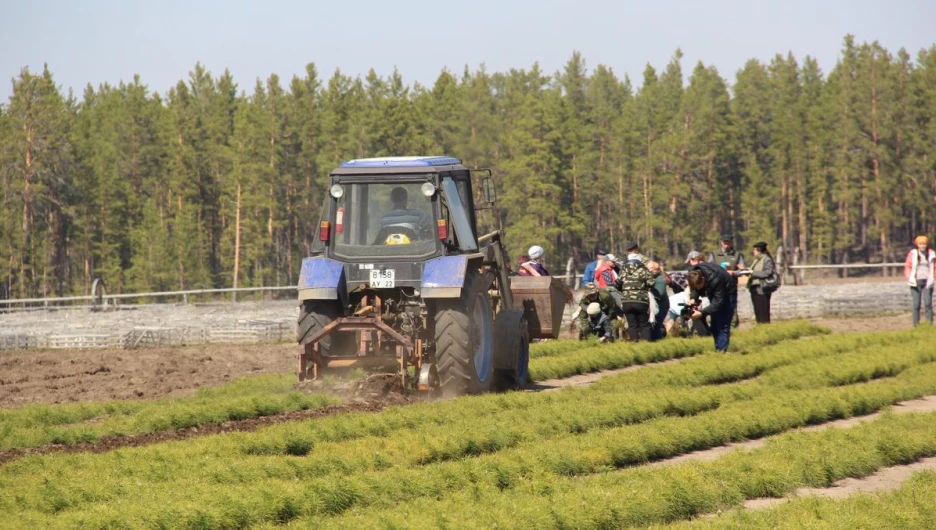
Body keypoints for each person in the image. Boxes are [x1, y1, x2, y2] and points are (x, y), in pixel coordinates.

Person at [688, 257, 737, 352]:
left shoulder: (715, 278)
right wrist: (693, 298)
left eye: (699, 287)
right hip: (714, 291)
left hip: (728, 293)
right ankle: (718, 348)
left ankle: (721, 351)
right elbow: (694, 289)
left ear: (703, 280)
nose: (698, 289)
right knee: (714, 323)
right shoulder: (693, 273)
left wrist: (701, 313)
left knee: (723, 323)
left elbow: (718, 303)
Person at [616, 242, 655, 342]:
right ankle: (646, 345)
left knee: (632, 325)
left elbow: (617, 284)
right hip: (641, 300)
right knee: (644, 324)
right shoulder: (642, 269)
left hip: (626, 301)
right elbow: (651, 283)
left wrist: (625, 289)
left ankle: (635, 345)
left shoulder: (623, 269)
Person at [708, 235, 745, 328]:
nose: (726, 245)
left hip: (731, 285)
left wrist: (734, 273)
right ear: (721, 243)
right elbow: (709, 269)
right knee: (717, 305)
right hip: (717, 285)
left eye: (728, 242)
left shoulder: (737, 255)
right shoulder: (714, 254)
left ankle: (733, 327)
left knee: (732, 306)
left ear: (732, 243)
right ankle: (716, 326)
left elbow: (742, 270)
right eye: (725, 242)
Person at [904, 235, 935, 326]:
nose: (922, 246)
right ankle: (916, 324)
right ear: (917, 244)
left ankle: (929, 323)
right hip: (916, 282)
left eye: (924, 244)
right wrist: (909, 278)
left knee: (928, 304)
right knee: (916, 304)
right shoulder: (913, 254)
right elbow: (908, 267)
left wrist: (933, 277)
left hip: (928, 282)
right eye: (921, 244)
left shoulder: (931, 254)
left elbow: (934, 267)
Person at [743, 241, 777, 324]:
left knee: (763, 311)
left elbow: (768, 273)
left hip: (762, 288)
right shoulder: (756, 260)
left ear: (759, 250)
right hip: (754, 287)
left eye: (754, 249)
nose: (753, 251)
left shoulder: (767, 259)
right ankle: (760, 326)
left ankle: (765, 328)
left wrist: (753, 273)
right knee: (757, 310)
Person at [647, 261, 669, 340]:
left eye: (648, 269)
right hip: (658, 306)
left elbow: (660, 294)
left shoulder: (659, 280)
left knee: (656, 327)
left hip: (661, 306)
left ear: (654, 269)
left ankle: (658, 340)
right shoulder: (654, 278)